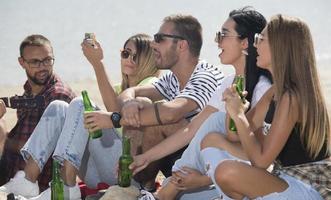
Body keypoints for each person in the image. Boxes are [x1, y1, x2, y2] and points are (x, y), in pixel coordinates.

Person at [132, 7, 272, 200]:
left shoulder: (263, 90)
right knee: (212, 124)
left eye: (223, 35)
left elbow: (258, 157)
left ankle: (162, 194)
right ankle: (165, 191)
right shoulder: (227, 83)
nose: (217, 41)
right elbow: (191, 131)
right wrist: (146, 157)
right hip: (215, 173)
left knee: (216, 120)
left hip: (241, 178)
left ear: (245, 43)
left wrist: (204, 180)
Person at [0, 33, 160, 199]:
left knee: (81, 104)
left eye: (137, 56)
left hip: (130, 174)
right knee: (58, 107)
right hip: (100, 173)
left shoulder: (152, 85)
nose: (129, 60)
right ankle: (27, 180)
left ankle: (66, 185)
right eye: (125, 54)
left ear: (149, 60)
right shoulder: (120, 89)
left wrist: (97, 64)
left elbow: (120, 114)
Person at [200, 14, 330, 199]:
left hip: (308, 187)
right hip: (286, 179)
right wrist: (233, 109)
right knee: (212, 139)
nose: (255, 45)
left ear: (280, 47)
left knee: (227, 172)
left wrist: (239, 115)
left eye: (260, 39)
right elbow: (234, 135)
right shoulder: (275, 91)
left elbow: (260, 161)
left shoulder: (291, 97)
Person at [118, 14, 224, 191]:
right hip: (178, 162)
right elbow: (130, 92)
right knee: (141, 102)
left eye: (159, 39)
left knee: (153, 114)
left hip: (203, 173)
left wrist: (114, 118)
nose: (152, 44)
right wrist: (129, 102)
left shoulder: (206, 76)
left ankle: (139, 187)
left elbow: (172, 113)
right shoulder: (172, 78)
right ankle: (141, 186)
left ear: (181, 45)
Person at [0, 34, 75, 192]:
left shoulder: (58, 96)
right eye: (35, 62)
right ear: (22, 63)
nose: (42, 67)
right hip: (11, 175)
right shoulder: (30, 89)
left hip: (37, 184)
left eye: (47, 60)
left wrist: (4, 138)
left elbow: (39, 150)